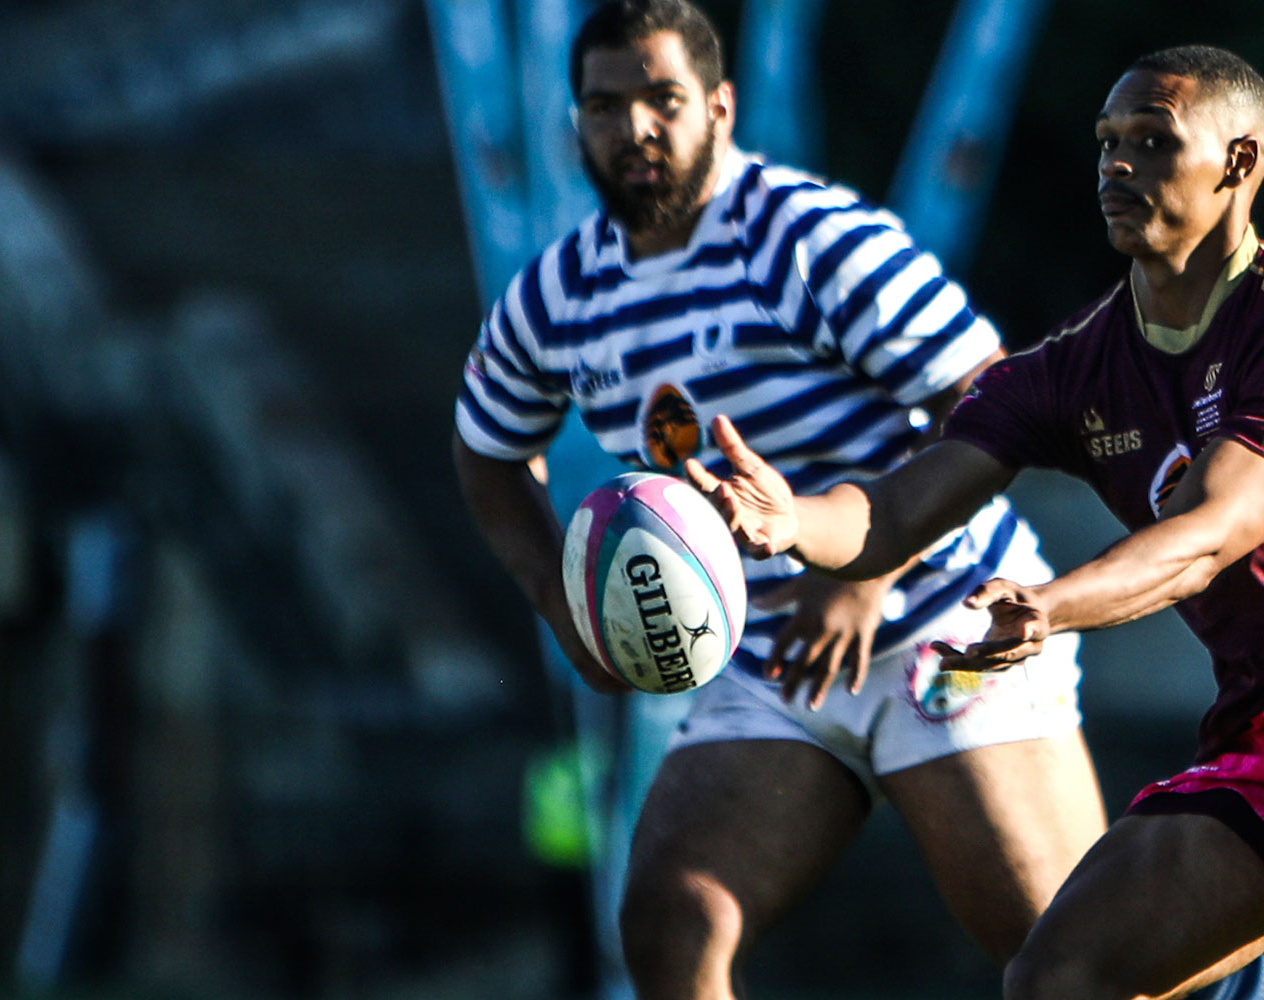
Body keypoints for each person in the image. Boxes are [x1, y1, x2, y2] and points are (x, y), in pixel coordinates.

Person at [689, 44, 1264, 1000]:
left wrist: (1053, 605)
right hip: (1262, 727)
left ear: (1238, 162)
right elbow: (896, 511)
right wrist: (792, 519)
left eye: (1152, 141)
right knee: (1058, 978)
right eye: (1107, 141)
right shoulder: (1073, 368)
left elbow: (1208, 534)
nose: (1116, 164)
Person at [450, 2, 1123, 997]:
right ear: (575, 122)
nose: (633, 127)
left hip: (944, 621)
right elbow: (486, 451)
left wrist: (866, 572)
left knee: (1074, 969)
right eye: (603, 106)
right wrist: (564, 608)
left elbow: (995, 396)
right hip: (769, 663)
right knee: (670, 924)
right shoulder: (559, 295)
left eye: (662, 100)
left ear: (719, 107)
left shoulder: (811, 236)